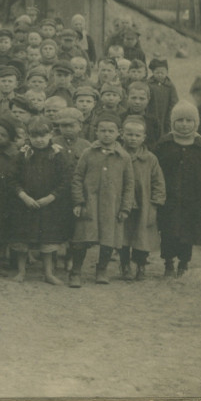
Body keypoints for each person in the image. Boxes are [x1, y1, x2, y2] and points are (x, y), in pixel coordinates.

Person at [70, 113, 135, 287]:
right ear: (96, 132)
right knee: (82, 238)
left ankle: (102, 270)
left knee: (108, 239)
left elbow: (129, 184)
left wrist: (125, 208)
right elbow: (77, 178)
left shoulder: (124, 157)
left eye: (110, 131)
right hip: (89, 203)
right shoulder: (88, 153)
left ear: (119, 133)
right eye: (103, 130)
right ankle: (75, 271)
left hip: (112, 206)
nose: (106, 134)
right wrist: (78, 202)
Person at [153, 102, 201, 278]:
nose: (184, 124)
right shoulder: (164, 144)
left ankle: (184, 263)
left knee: (188, 233)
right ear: (173, 122)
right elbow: (154, 170)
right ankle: (168, 263)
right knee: (168, 231)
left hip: (193, 200)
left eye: (189, 120)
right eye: (180, 120)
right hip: (169, 199)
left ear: (196, 122)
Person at [10, 117, 71, 285]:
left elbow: (65, 180)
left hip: (49, 205)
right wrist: (23, 196)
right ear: (28, 136)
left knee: (47, 240)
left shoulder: (57, 155)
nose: (39, 140)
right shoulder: (23, 154)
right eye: (34, 136)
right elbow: (12, 178)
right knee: (22, 239)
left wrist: (51, 197)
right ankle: (21, 271)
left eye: (43, 136)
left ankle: (48, 273)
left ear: (51, 134)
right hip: (25, 204)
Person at [119, 116, 166, 281]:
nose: (133, 138)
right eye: (129, 134)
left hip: (143, 204)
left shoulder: (150, 159)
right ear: (122, 134)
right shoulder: (117, 155)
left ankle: (141, 265)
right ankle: (124, 265)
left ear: (143, 137)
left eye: (137, 135)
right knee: (122, 236)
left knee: (142, 236)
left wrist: (156, 202)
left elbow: (158, 182)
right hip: (122, 204)